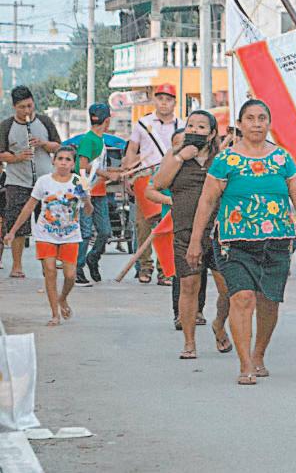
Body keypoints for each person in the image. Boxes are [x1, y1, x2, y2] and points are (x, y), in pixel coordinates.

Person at [188, 100, 296, 385]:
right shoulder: (225, 160)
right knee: (242, 298)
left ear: (269, 122)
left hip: (277, 240)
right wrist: (195, 241)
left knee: (269, 301)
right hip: (234, 242)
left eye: (262, 118)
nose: (256, 124)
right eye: (250, 118)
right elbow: (207, 201)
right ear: (240, 124)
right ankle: (245, 364)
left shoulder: (282, 158)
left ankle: (259, 355)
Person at [154, 110, 233, 359]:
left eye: (201, 127)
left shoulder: (222, 158)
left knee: (228, 289)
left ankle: (219, 324)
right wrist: (180, 157)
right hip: (185, 231)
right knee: (189, 286)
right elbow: (158, 184)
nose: (194, 131)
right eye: (190, 126)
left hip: (220, 232)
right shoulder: (175, 155)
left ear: (211, 134)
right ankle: (189, 342)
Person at [4, 146, 91, 326]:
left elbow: (88, 211)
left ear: (73, 164)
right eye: (60, 159)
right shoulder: (44, 182)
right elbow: (29, 206)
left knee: (70, 275)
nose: (63, 163)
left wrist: (86, 199)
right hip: (45, 233)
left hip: (70, 235)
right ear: (53, 161)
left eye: (68, 159)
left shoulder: (78, 182)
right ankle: (54, 314)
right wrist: (12, 231)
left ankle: (63, 298)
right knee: (50, 271)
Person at [146, 129, 207, 332]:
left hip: (202, 225)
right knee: (180, 272)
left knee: (200, 271)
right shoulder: (169, 166)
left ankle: (198, 310)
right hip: (175, 225)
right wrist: (171, 200)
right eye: (178, 143)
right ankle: (180, 313)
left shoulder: (204, 166)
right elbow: (151, 190)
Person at [123, 84, 184, 285]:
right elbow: (132, 149)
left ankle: (164, 269)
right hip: (145, 176)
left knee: (166, 224)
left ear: (174, 102)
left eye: (168, 99)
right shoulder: (143, 124)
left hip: (171, 177)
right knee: (143, 225)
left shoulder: (182, 125)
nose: (164, 103)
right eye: (160, 98)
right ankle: (145, 266)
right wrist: (128, 174)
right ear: (154, 100)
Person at [0, 86, 63, 279]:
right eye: (22, 107)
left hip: (45, 181)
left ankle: (49, 264)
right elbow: (1, 153)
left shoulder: (44, 121)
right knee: (17, 224)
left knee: (49, 223)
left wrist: (43, 144)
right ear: (14, 107)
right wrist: (17, 157)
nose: (27, 111)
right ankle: (17, 266)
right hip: (17, 182)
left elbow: (58, 146)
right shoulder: (6, 126)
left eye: (29, 105)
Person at [74, 103, 119, 286]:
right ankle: (78, 268)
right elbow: (82, 165)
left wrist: (118, 171)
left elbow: (98, 165)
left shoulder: (100, 139)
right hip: (85, 191)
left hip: (99, 192)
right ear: (107, 121)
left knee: (105, 231)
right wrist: (106, 174)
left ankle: (93, 257)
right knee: (85, 232)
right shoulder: (89, 139)